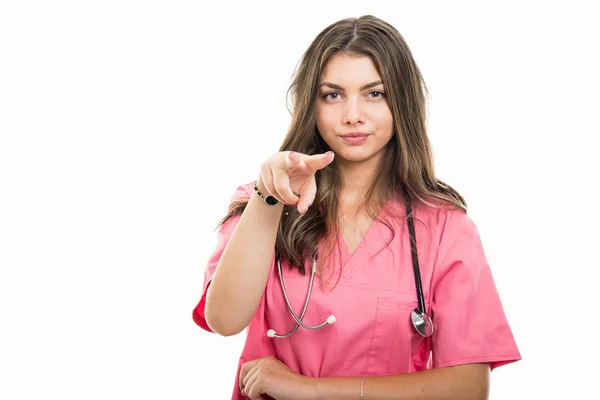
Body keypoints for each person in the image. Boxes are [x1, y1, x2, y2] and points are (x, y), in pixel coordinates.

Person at [192, 14, 521, 400]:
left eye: (374, 93)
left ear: (402, 101)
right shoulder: (263, 201)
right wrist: (269, 198)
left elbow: (468, 387)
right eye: (333, 94)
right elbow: (225, 320)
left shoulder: (445, 227)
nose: (352, 115)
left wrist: (310, 390)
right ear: (310, 104)